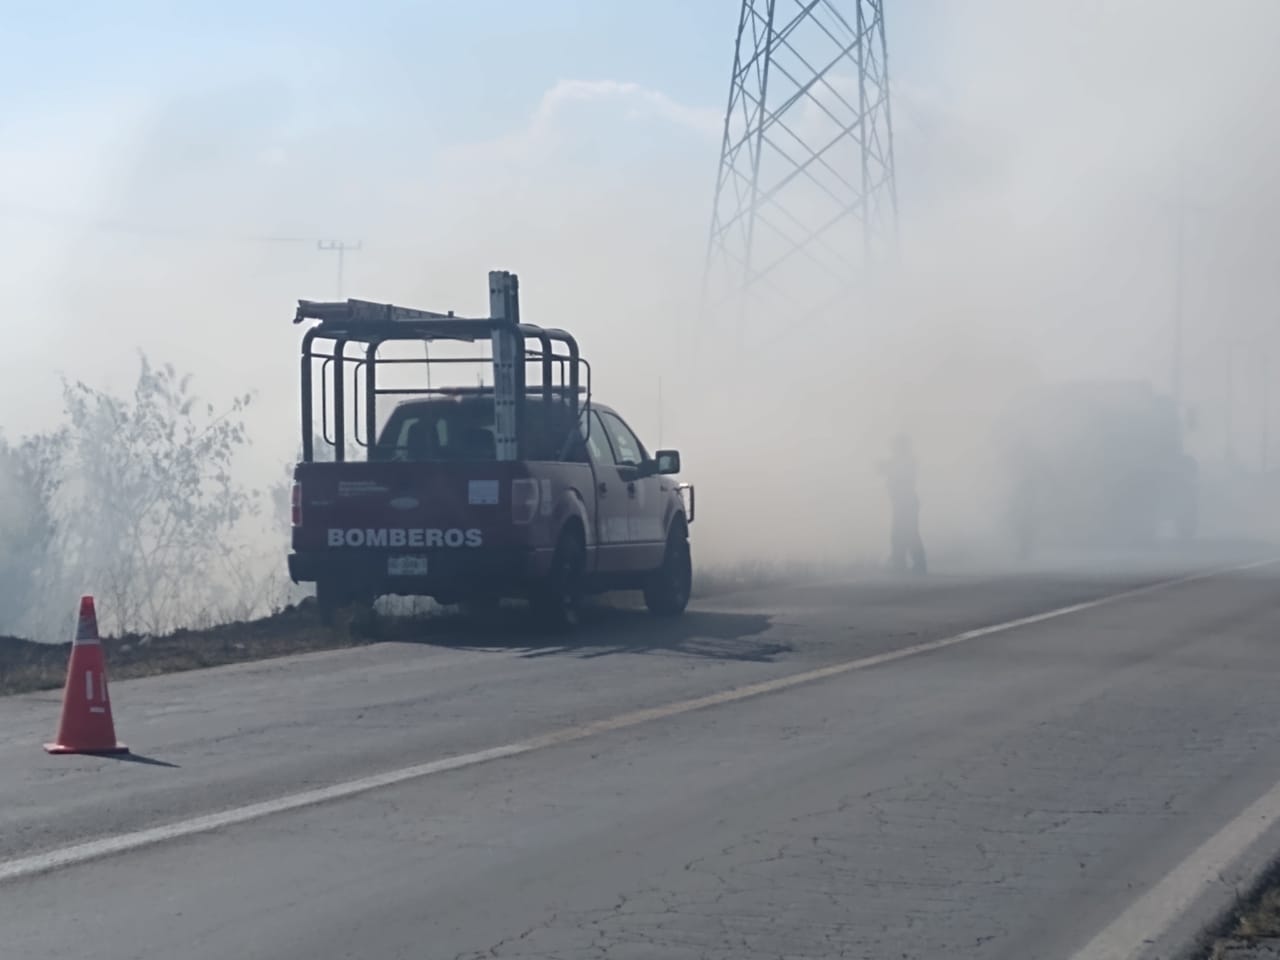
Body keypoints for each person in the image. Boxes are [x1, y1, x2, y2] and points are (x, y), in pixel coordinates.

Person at [880, 434, 927, 575]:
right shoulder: (901, 461)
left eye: (895, 446)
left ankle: (913, 565)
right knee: (900, 533)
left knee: (908, 533)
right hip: (902, 502)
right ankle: (900, 563)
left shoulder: (906, 461)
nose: (893, 448)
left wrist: (885, 468)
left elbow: (897, 472)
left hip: (906, 502)